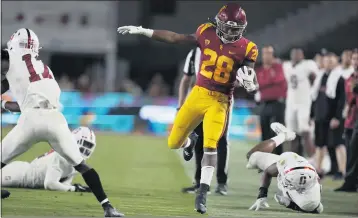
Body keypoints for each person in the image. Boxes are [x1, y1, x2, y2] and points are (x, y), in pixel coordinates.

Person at [118, 3, 259, 214]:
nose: (231, 32)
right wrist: (144, 31)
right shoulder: (205, 32)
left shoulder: (249, 48)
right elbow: (175, 38)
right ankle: (189, 141)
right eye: (228, 27)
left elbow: (248, 77)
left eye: (235, 29)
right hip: (198, 94)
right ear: (218, 23)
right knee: (173, 142)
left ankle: (202, 193)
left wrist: (250, 85)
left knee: (211, 146)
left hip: (220, 100)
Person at [0, 28, 123, 217]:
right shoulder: (44, 68)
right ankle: (108, 207)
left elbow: (18, 94)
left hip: (30, 120)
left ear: (15, 43)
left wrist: (2, 102)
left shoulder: (10, 59)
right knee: (82, 166)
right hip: (55, 120)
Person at [179, 46, 230, 195]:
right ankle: (199, 182)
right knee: (198, 140)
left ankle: (221, 183)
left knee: (220, 139)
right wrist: (181, 104)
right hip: (198, 100)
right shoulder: (194, 52)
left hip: (220, 101)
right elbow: (187, 78)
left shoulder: (227, 51)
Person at [247, 122, 323, 214]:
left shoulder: (310, 194)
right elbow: (267, 172)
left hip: (300, 166)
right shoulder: (288, 171)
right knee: (251, 157)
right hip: (290, 162)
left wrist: (290, 204)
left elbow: (317, 209)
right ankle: (283, 136)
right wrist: (262, 195)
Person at [2, 126, 95, 192]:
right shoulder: (61, 157)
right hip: (20, 175)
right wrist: (74, 188)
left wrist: (71, 186)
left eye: (89, 145)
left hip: (24, 174)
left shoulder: (76, 160)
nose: (86, 148)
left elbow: (65, 181)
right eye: (85, 144)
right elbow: (50, 184)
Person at [311, 53, 346, 180]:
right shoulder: (320, 77)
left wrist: (337, 117)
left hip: (333, 118)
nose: (328, 63)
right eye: (326, 61)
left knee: (337, 144)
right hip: (320, 117)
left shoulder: (340, 79)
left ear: (336, 62)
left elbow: (342, 100)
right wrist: (312, 115)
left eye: (331, 61)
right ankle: (318, 170)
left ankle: (341, 171)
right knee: (320, 144)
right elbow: (314, 98)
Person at [282, 48, 318, 158]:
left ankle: (312, 159)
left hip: (303, 102)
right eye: (294, 54)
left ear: (303, 56)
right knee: (292, 133)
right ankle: (295, 159)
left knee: (305, 130)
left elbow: (314, 77)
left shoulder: (308, 64)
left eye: (299, 54)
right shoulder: (286, 65)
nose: (296, 56)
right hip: (291, 102)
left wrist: (308, 89)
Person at [255, 45, 287, 155]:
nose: (267, 56)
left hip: (277, 104)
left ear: (273, 55)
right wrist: (269, 81)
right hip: (264, 104)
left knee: (277, 133)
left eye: (269, 53)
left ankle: (278, 160)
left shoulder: (279, 67)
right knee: (264, 133)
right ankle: (265, 159)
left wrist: (264, 82)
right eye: (265, 53)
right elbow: (258, 84)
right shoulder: (259, 70)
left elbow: (278, 79)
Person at [335, 49, 358, 192]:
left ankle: (350, 182)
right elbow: (349, 101)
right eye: (354, 59)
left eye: (357, 59)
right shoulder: (350, 78)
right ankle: (350, 182)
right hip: (352, 119)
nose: (355, 61)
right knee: (351, 150)